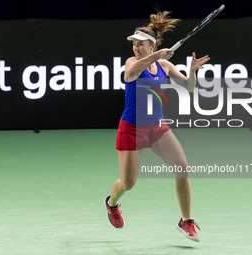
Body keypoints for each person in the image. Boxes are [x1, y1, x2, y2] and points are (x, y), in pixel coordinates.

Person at [104, 11, 209, 242]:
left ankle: (186, 221)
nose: (136, 48)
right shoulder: (133, 63)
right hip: (131, 128)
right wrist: (156, 55)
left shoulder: (164, 65)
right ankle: (111, 204)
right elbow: (130, 73)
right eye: (134, 45)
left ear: (151, 45)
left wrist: (191, 72)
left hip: (157, 126)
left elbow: (189, 87)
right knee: (128, 183)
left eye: (140, 45)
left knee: (182, 166)